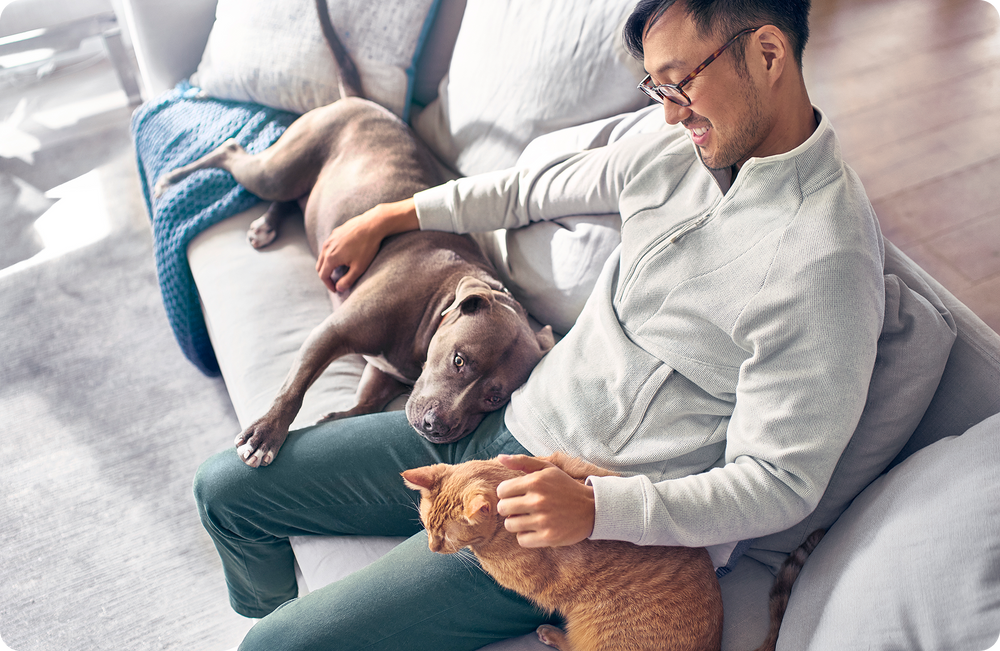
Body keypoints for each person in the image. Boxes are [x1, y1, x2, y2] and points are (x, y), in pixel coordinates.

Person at [193, 0, 886, 648]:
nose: (671, 114)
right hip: (499, 423)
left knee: (270, 646)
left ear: (767, 55)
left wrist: (596, 509)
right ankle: (292, 602)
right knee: (225, 493)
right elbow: (526, 191)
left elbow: (779, 480)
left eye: (680, 84)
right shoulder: (678, 146)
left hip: (560, 532)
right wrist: (388, 217)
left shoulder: (827, 259)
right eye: (658, 89)